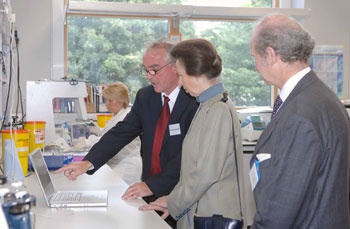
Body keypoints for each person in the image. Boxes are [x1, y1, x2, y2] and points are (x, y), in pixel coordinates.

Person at [55, 40, 199, 227]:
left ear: (175, 67)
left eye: (154, 69)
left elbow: (190, 157)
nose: (149, 76)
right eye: (146, 70)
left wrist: (153, 186)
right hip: (148, 190)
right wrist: (87, 162)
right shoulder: (146, 97)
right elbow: (121, 132)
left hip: (181, 194)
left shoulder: (194, 101)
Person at [249, 13, 350, 228]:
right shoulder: (322, 96)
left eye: (254, 57)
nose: (255, 66)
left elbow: (281, 210)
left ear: (270, 54)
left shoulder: (299, 115)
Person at [139, 38, 244, 229]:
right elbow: (190, 170)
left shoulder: (217, 110)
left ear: (195, 73)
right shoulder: (205, 106)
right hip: (197, 207)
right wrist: (172, 199)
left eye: (180, 75)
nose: (179, 82)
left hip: (213, 214)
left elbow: (204, 175)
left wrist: (174, 202)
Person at [84, 81, 142, 185]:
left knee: (121, 196)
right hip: (117, 162)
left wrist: (86, 142)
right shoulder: (117, 115)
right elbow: (109, 134)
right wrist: (99, 131)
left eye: (110, 101)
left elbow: (110, 139)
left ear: (122, 101)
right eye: (105, 100)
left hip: (127, 164)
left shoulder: (125, 116)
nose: (107, 104)